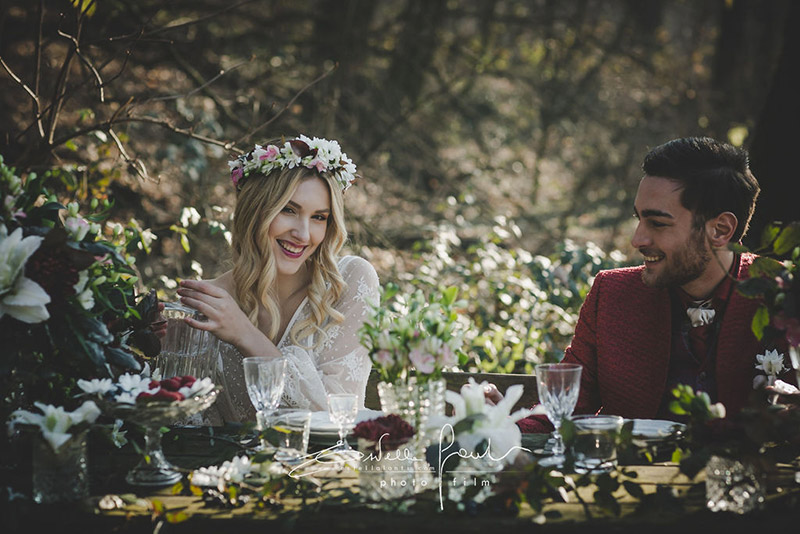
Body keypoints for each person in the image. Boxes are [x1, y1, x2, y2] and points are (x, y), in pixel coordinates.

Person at [503, 136, 795, 433]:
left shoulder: (785, 293)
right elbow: (562, 410)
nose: (637, 239)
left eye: (657, 223)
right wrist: (501, 425)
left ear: (720, 230)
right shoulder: (611, 294)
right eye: (639, 219)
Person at [174, 135, 379, 424]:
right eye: (289, 210)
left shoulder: (350, 282)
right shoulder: (208, 304)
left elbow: (337, 417)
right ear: (255, 212)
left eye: (319, 217)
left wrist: (245, 334)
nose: (304, 235)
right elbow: (186, 423)